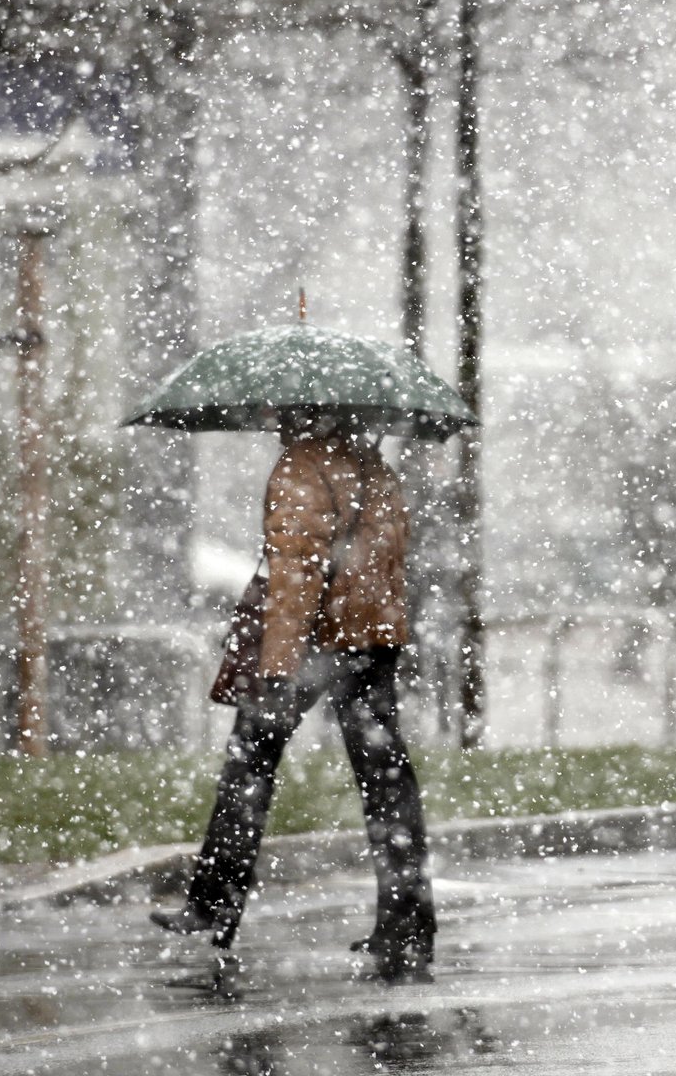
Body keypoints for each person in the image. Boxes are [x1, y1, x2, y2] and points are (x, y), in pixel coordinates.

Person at [152, 414, 436, 982]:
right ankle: (407, 924)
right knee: (387, 782)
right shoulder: (375, 466)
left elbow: (296, 574)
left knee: (248, 766)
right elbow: (389, 560)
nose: (277, 422)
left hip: (312, 642)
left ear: (304, 415)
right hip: (372, 638)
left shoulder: (301, 468)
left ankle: (213, 905)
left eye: (286, 413)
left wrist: (278, 663)